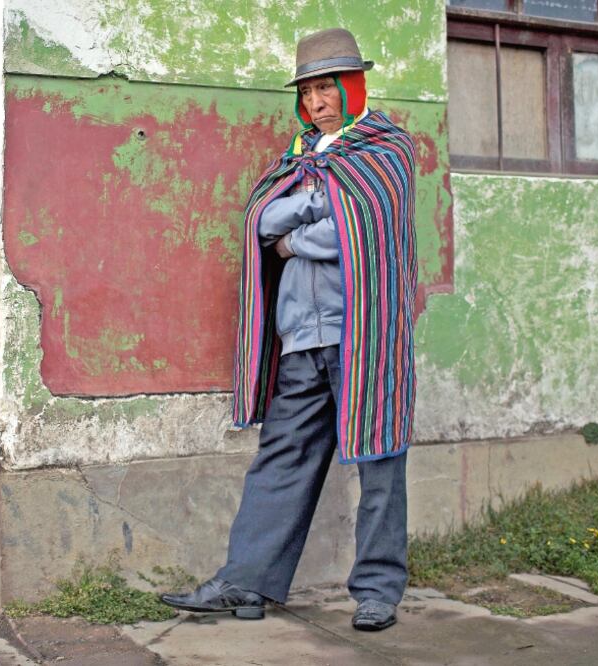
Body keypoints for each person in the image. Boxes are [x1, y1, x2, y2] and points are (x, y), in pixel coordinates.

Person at [161, 28, 417, 632]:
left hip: (365, 337)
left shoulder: (386, 151)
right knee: (281, 454)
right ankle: (245, 583)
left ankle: (378, 590)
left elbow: (355, 232)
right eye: (308, 92)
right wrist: (311, 206)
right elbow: (259, 218)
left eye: (327, 88)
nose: (317, 103)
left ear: (354, 86)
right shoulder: (300, 156)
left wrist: (296, 236)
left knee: (379, 460)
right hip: (303, 336)